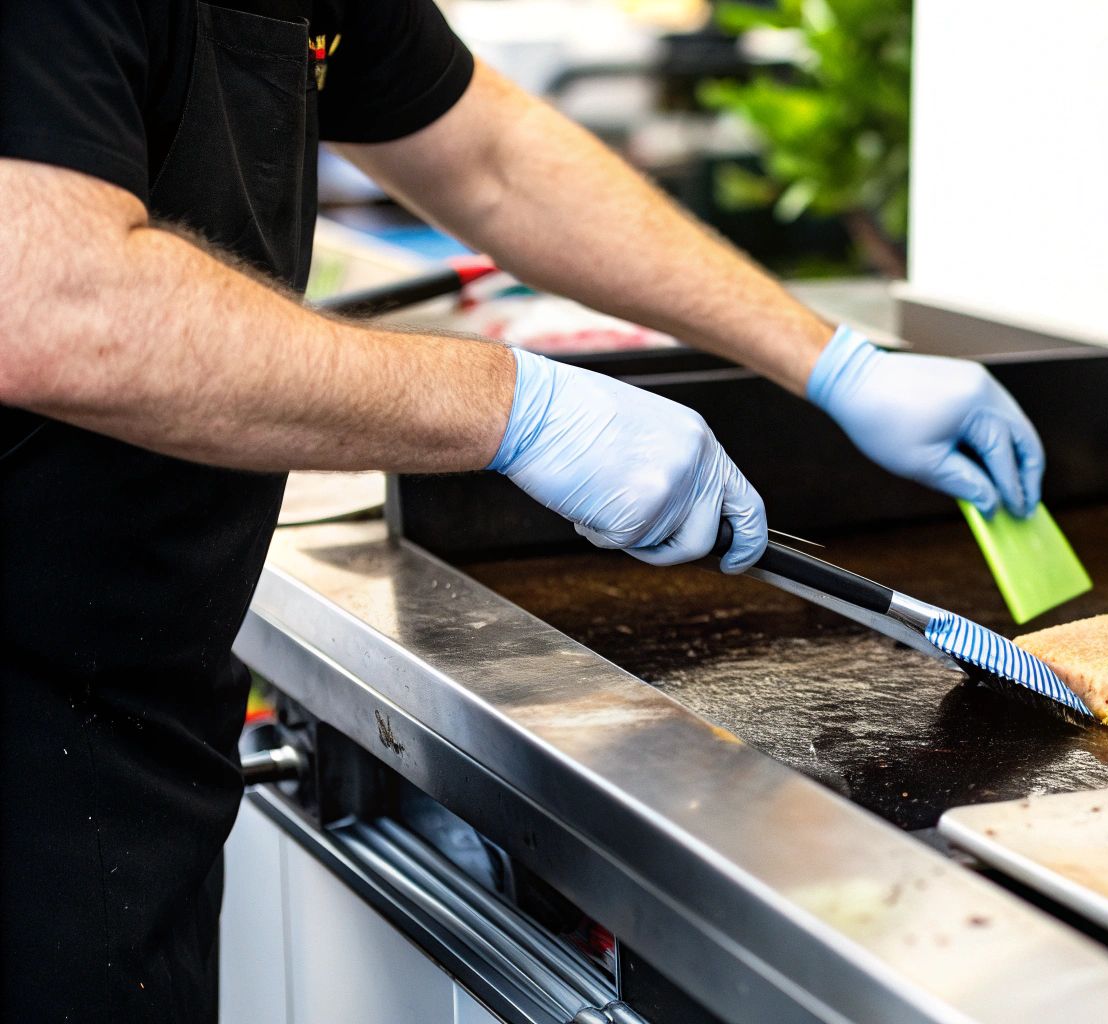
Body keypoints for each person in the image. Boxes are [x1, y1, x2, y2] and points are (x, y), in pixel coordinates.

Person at [0, 2, 1045, 1020]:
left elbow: (488, 156)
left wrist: (828, 357)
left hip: (134, 722)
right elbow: (49, 297)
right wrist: (520, 409)